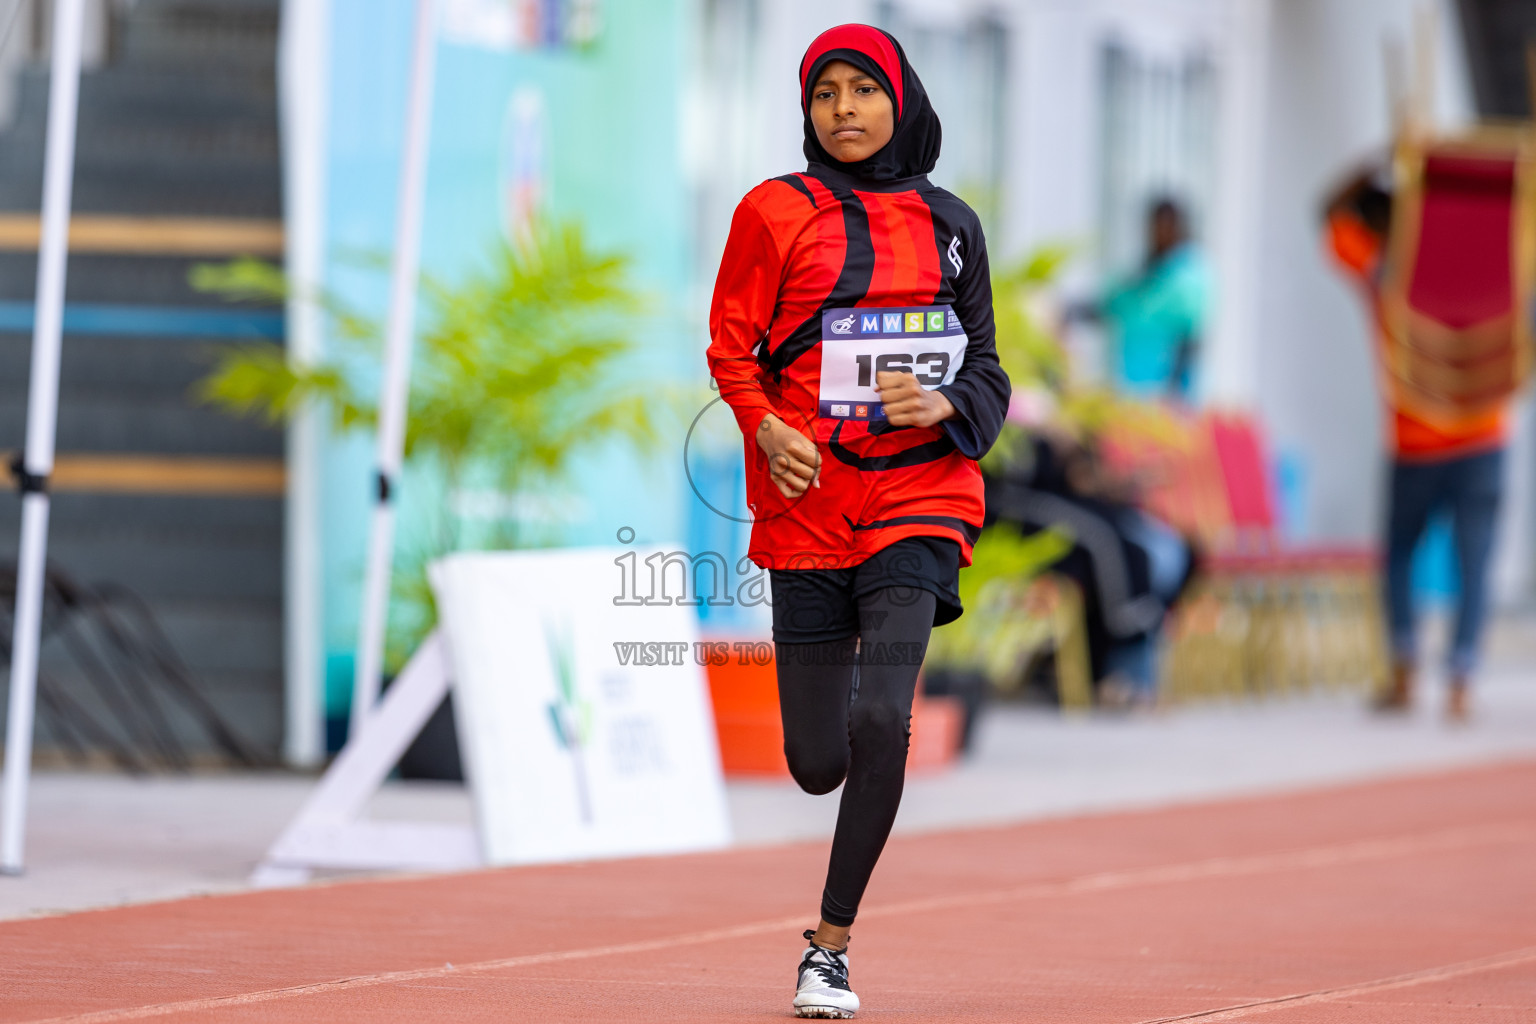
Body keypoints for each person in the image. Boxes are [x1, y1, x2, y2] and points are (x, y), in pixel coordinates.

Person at [706, 23, 1010, 1018]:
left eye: (862, 89)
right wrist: (765, 427)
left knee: (885, 715)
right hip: (807, 502)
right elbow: (731, 347)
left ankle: (829, 944)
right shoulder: (772, 212)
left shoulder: (954, 224)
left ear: (901, 99)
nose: (844, 109)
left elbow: (989, 370)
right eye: (825, 92)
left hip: (921, 495)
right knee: (816, 761)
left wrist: (952, 406)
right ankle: (845, 750)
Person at [1323, 164, 1510, 722]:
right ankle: (1461, 676)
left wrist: (1379, 163)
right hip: (1482, 434)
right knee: (1473, 561)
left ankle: (1406, 664)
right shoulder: (1477, 266)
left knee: (1402, 553)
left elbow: (1330, 214)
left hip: (1416, 441)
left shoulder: (1385, 269)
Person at [984, 429, 1194, 706]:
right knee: (1116, 548)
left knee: (1165, 551)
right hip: (1016, 497)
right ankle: (1120, 672)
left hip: (1073, 497)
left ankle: (1126, 673)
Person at [1093, 197, 1211, 402]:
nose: (1158, 233)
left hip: (1169, 393)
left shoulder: (1189, 274)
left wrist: (1173, 394)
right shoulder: (1150, 270)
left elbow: (1190, 336)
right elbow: (1114, 305)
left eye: (1165, 226)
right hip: (1133, 388)